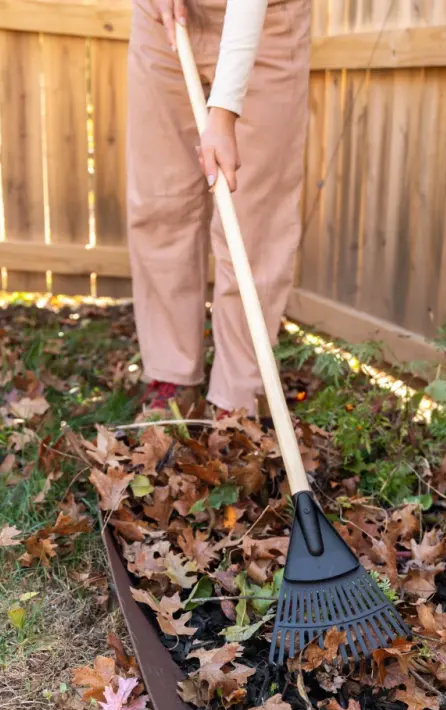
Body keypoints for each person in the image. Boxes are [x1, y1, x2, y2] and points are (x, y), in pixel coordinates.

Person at [126, 0, 311, 418]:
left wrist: (224, 113)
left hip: (266, 21)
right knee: (161, 201)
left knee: (254, 222)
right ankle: (172, 378)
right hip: (164, 20)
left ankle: (237, 400)